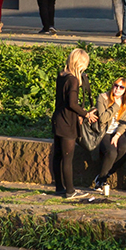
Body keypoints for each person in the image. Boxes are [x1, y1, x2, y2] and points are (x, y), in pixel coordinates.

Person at [51, 47, 90, 200]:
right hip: (67, 122)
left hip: (58, 119)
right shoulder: (73, 80)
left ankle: (60, 187)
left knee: (58, 156)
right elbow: (72, 103)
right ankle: (70, 191)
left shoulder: (62, 75)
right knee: (68, 157)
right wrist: (85, 114)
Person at [85, 75, 126, 198]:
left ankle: (105, 175)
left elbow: (125, 122)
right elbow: (102, 119)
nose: (117, 89)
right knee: (111, 152)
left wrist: (117, 135)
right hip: (104, 131)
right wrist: (115, 106)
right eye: (115, 86)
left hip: (118, 131)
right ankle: (100, 181)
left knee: (124, 148)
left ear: (125, 90)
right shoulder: (103, 98)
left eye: (121, 87)